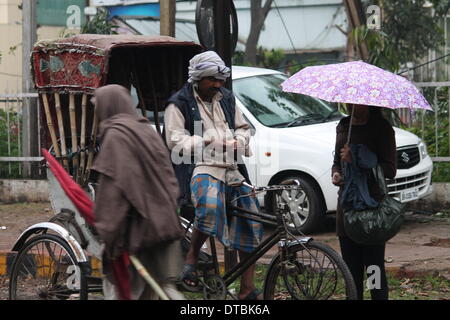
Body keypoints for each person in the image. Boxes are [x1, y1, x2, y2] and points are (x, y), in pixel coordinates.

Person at [164, 51, 264, 300]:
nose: (217, 84)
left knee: (251, 217)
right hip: (200, 167)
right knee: (209, 205)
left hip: (231, 169)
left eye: (220, 80)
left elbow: (244, 128)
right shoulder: (179, 103)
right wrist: (205, 140)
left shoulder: (226, 98)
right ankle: (192, 257)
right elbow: (175, 140)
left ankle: (247, 287)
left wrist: (238, 141)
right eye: (212, 80)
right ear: (198, 79)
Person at [92, 84, 185, 300]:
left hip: (139, 233)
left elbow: (113, 191)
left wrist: (107, 230)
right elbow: (168, 176)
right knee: (162, 290)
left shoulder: (116, 137)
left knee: (125, 293)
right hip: (166, 225)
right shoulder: (146, 130)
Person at [332, 103, 396, 300]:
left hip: (371, 211)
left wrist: (358, 159)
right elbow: (337, 161)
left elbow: (390, 170)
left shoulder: (381, 129)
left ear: (368, 103)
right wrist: (336, 173)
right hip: (347, 209)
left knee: (374, 268)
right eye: (348, 103)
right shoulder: (344, 126)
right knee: (351, 270)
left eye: (356, 103)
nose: (351, 107)